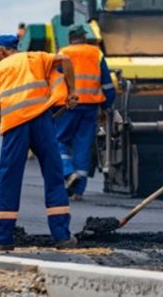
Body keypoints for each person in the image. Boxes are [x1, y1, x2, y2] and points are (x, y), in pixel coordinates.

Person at [0, 34, 79, 251]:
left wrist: (7, 136)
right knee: (54, 175)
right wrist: (72, 92)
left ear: (0, 51)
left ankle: (4, 238)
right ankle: (62, 237)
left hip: (15, 126)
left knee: (9, 178)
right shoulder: (35, 58)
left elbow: (0, 110)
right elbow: (65, 59)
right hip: (42, 121)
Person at [56, 26, 115, 200]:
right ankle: (79, 191)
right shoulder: (96, 53)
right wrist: (106, 107)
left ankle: (68, 172)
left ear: (70, 38)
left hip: (68, 105)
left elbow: (55, 80)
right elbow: (107, 85)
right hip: (91, 106)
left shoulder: (63, 53)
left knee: (57, 140)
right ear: (84, 37)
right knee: (83, 146)